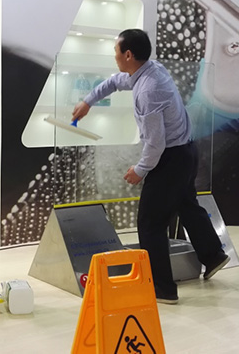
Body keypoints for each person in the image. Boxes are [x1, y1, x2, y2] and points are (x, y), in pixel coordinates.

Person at [72, 29, 229, 305]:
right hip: (185, 153)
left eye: (116, 51)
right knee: (187, 205)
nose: (114, 56)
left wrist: (140, 169)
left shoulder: (148, 91)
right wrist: (88, 101)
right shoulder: (150, 69)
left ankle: (162, 288)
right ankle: (213, 255)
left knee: (150, 223)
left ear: (128, 55)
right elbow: (115, 81)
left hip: (170, 159)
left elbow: (155, 143)